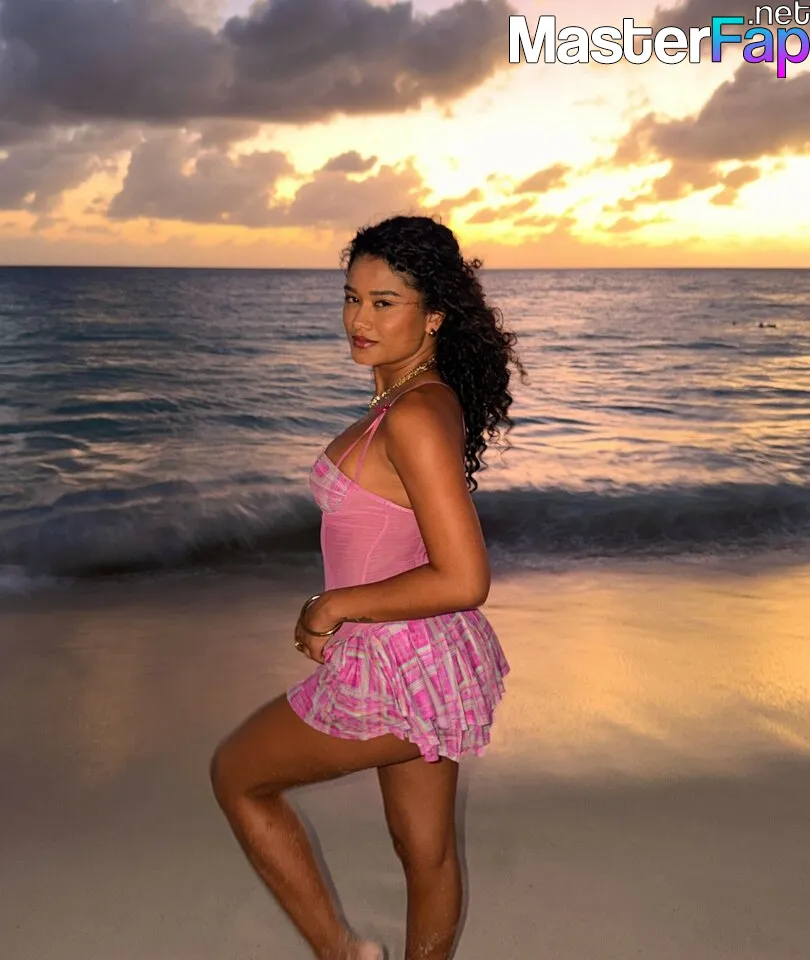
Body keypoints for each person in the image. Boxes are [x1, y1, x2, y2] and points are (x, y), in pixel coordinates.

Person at [211, 215, 525, 960]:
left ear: (434, 315)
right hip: (423, 657)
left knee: (238, 776)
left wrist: (333, 605)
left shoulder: (414, 415)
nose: (360, 319)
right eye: (352, 297)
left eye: (385, 302)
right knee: (425, 850)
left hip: (395, 662)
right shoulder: (413, 400)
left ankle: (344, 954)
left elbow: (464, 576)